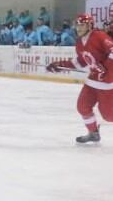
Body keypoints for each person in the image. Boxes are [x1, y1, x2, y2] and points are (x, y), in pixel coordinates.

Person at [45, 14, 113, 144]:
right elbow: (80, 61)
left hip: (107, 82)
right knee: (83, 106)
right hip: (93, 81)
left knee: (109, 117)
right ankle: (93, 133)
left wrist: (107, 69)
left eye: (82, 25)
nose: (78, 28)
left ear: (90, 25)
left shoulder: (99, 36)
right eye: (77, 25)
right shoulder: (79, 43)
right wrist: (60, 65)